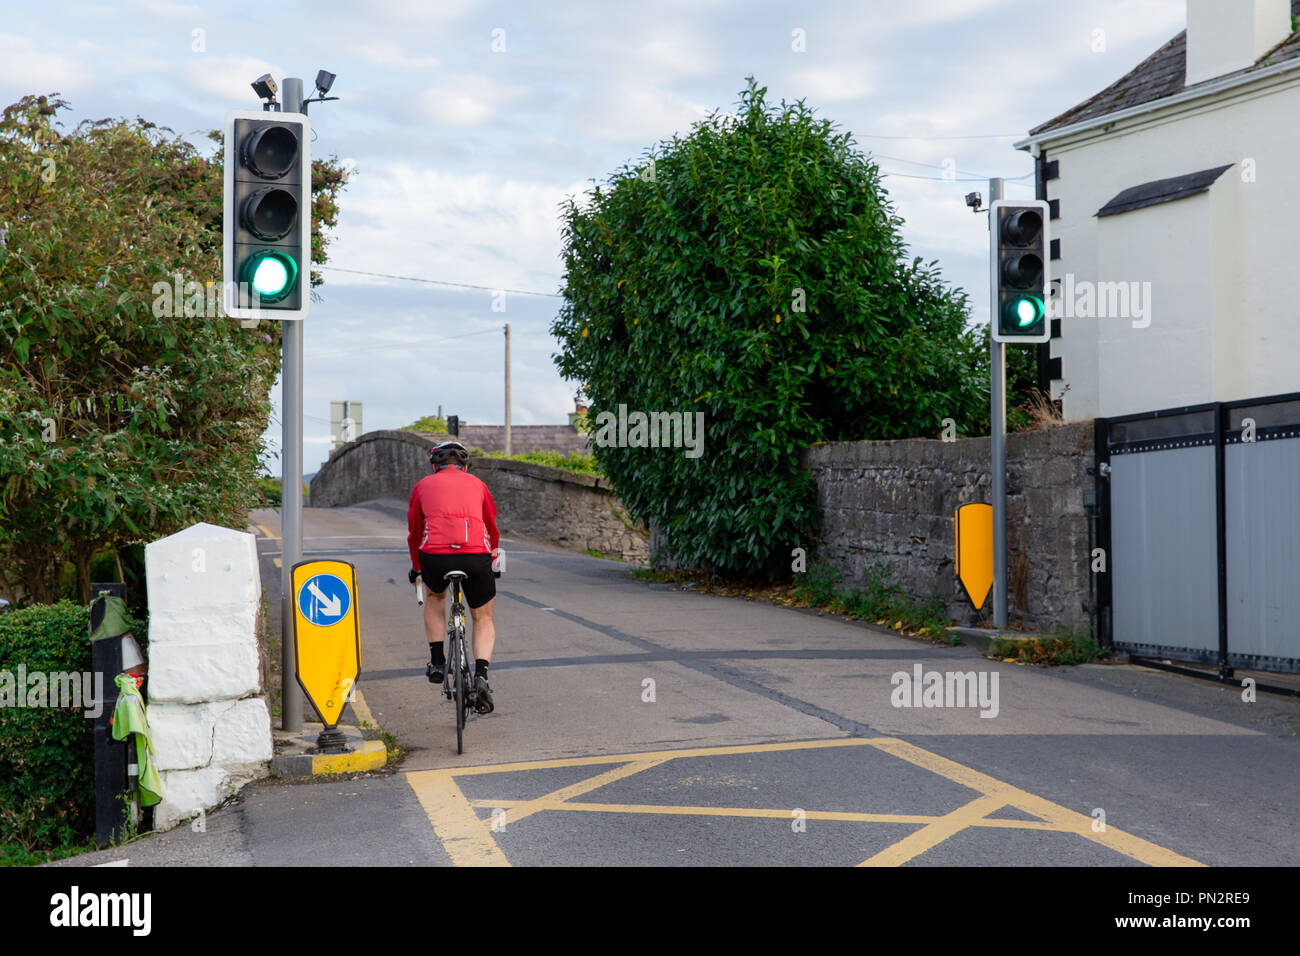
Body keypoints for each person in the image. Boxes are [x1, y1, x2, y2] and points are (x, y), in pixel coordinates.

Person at [407, 440, 501, 714]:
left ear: (434, 466)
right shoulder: (478, 485)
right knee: (483, 616)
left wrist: (417, 568)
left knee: (436, 598)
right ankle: (481, 676)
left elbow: (414, 532)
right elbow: (492, 527)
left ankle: (437, 661)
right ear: (465, 466)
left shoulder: (422, 486)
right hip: (475, 555)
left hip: (434, 556)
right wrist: (492, 559)